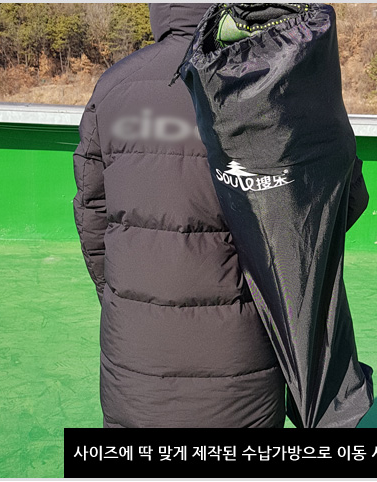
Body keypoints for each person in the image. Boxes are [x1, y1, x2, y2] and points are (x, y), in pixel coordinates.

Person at [73, 3, 286, 428]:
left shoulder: (114, 86)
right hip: (243, 354)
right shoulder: (268, 77)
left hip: (136, 354)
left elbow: (92, 210)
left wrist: (120, 296)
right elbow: (330, 204)